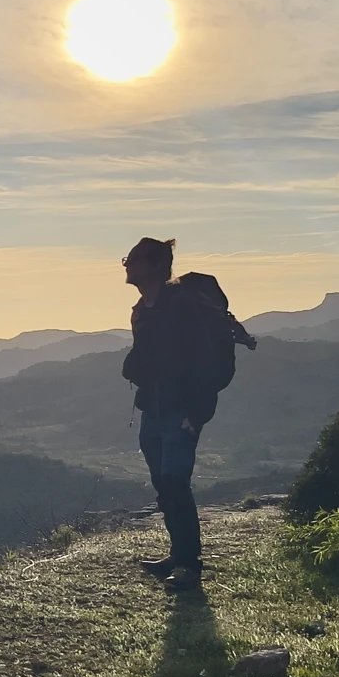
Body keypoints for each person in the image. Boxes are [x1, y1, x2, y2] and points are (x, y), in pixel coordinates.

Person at [119, 237, 253, 591]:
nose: (127, 266)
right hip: (154, 409)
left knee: (176, 483)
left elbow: (207, 364)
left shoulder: (182, 308)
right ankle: (178, 555)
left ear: (152, 266)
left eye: (132, 260)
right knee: (165, 485)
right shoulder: (142, 310)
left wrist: (195, 414)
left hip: (181, 413)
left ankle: (189, 566)